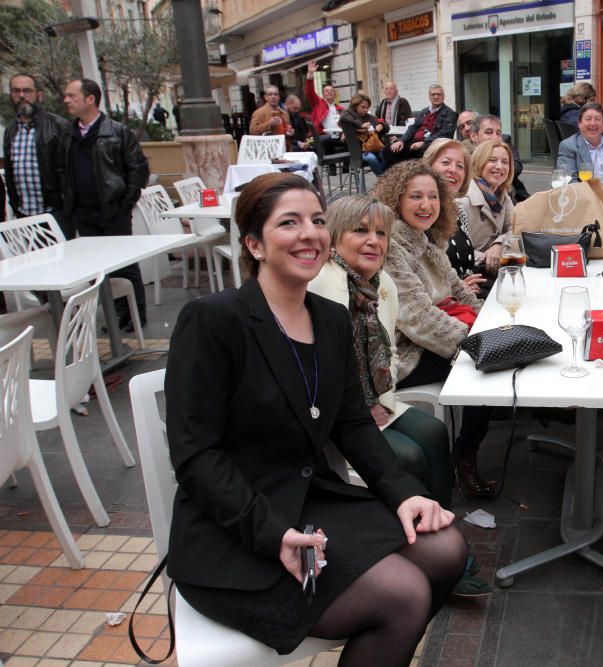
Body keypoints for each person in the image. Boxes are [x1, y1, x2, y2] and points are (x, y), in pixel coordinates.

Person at [165, 173, 467, 664]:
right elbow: (195, 456)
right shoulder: (213, 320)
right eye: (289, 222)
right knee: (404, 593)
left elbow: (352, 424)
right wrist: (270, 533)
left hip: (311, 503)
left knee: (447, 548)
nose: (310, 233)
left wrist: (404, 492)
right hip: (237, 529)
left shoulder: (328, 318)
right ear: (254, 244)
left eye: (318, 221)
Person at [308, 193, 491, 597]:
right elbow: (325, 372)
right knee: (405, 455)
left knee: (430, 432)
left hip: (375, 402)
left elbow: (386, 351)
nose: (374, 241)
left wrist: (382, 403)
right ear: (335, 238)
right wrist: (365, 408)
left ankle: (441, 532)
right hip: (333, 414)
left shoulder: (381, 284)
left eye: (381, 233)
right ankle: (420, 548)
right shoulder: (323, 287)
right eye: (360, 231)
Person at [372, 162, 494, 499]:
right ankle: (465, 455)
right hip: (402, 354)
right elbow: (417, 318)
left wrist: (493, 322)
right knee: (482, 371)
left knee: (494, 358)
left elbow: (460, 290)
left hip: (434, 339)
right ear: (396, 200)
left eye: (432, 196)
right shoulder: (392, 245)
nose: (426, 204)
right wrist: (479, 342)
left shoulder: (425, 240)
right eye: (415, 196)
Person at [62, 78, 149, 331]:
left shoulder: (118, 132)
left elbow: (138, 169)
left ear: (90, 99)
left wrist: (125, 203)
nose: (66, 100)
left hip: (113, 211)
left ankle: (134, 314)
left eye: (72, 96)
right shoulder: (68, 133)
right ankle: (114, 316)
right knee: (98, 270)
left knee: (125, 265)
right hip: (83, 212)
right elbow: (61, 170)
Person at [4, 73, 72, 238]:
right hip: (24, 216)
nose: (21, 96)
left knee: (66, 262)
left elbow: (72, 171)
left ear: (38, 95)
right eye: (16, 91)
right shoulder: (10, 131)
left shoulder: (58, 126)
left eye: (27, 90)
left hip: (54, 214)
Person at [421, 139, 487, 295]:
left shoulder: (458, 211)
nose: (453, 170)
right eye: (445, 162)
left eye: (460, 166)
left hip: (468, 298)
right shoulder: (420, 213)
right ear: (428, 166)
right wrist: (457, 290)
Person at [456, 139, 515, 276]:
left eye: (505, 162)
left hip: (495, 267)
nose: (499, 166)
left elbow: (517, 228)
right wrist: (487, 257)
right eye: (492, 160)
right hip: (470, 272)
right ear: (479, 163)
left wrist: (499, 245)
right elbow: (456, 249)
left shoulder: (502, 194)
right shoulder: (462, 200)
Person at [382, 85, 457, 166]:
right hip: (414, 142)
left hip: (431, 144)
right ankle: (403, 172)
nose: (436, 97)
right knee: (388, 150)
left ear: (443, 96)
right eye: (433, 94)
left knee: (420, 152)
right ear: (429, 97)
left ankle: (407, 171)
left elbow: (445, 134)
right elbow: (413, 128)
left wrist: (424, 142)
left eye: (439, 94)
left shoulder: (450, 114)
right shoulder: (424, 111)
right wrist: (401, 140)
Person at [467, 114, 529, 202]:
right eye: (488, 132)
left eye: (498, 133)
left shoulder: (504, 145)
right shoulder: (463, 159)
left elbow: (517, 166)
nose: (495, 137)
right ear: (473, 136)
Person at [338, 93, 385, 176]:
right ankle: (383, 180)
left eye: (367, 107)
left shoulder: (369, 117)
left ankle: (386, 178)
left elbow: (384, 125)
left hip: (373, 147)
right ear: (355, 106)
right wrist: (361, 125)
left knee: (387, 154)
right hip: (357, 151)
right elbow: (344, 116)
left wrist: (381, 125)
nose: (366, 110)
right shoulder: (348, 115)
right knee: (372, 158)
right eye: (363, 107)